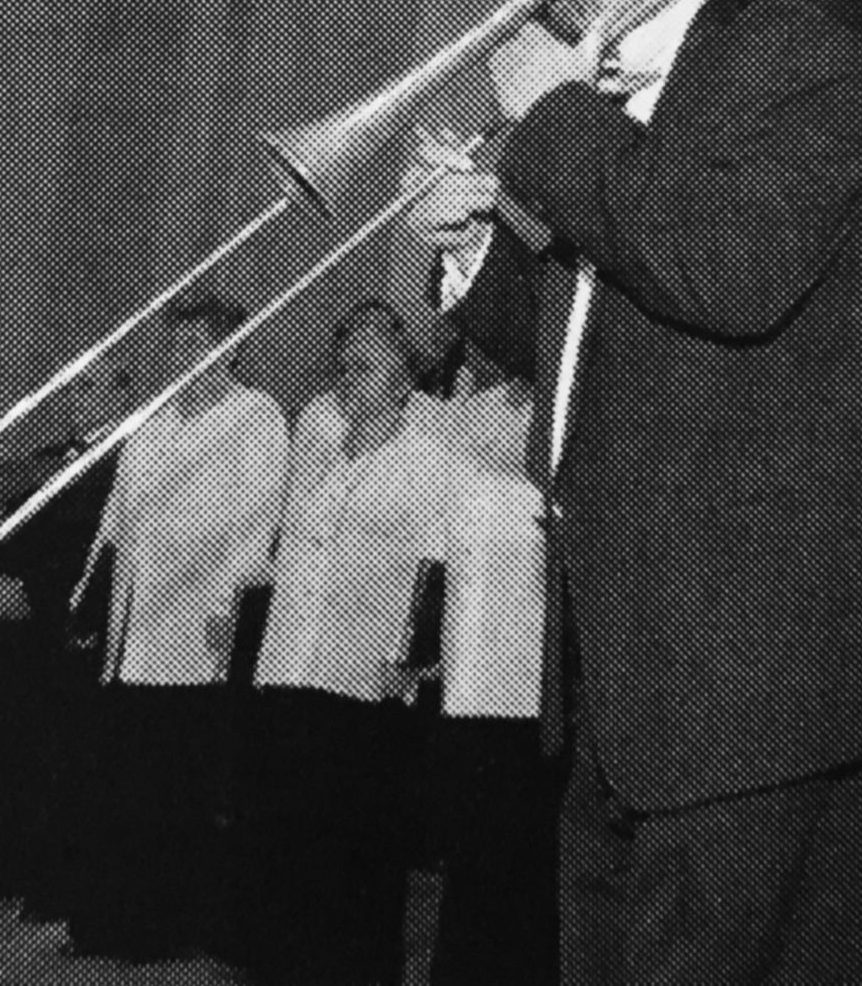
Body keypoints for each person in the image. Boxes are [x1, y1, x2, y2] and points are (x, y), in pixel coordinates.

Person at [393, 0, 862, 985]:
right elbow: (598, 355)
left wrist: (555, 122)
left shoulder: (802, 61)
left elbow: (728, 272)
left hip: (755, 680)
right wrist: (475, 254)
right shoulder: (619, 101)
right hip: (620, 675)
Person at [227, 302, 451, 986]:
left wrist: (412, 658)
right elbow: (292, 559)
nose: (347, 379)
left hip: (364, 688)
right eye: (341, 367)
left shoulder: (430, 461)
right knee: (285, 852)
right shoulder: (324, 459)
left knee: (353, 864)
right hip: (292, 675)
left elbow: (437, 568)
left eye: (365, 367)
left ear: (404, 379)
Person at [62, 291, 288, 964]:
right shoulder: (152, 420)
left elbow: (258, 517)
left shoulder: (257, 416)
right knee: (123, 777)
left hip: (199, 621)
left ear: (232, 347)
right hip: (134, 619)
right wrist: (87, 592)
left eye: (199, 341)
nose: (184, 353)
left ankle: (163, 924)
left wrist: (229, 605)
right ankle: (107, 918)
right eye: (177, 341)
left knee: (178, 778)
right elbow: (115, 514)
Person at [0, 353, 130, 923]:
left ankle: (51, 890)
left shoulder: (131, 459)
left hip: (73, 626)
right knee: (2, 752)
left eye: (96, 388)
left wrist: (43, 595)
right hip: (18, 628)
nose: (83, 400)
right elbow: (7, 535)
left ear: (122, 396)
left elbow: (103, 549)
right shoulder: (39, 462)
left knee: (66, 759)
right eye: (75, 389)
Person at [428, 341, 564, 986]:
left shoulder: (564, 407)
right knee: (471, 833)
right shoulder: (466, 411)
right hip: (467, 656)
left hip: (533, 658)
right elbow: (436, 526)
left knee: (526, 832)